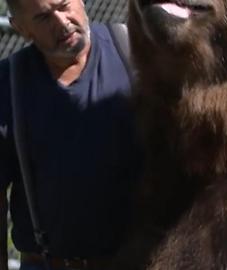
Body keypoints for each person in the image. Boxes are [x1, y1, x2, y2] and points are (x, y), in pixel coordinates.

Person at [0, 0, 142, 269]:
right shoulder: (9, 85)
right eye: (43, 18)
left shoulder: (134, 55)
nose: (63, 23)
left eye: (64, 5)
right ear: (21, 28)